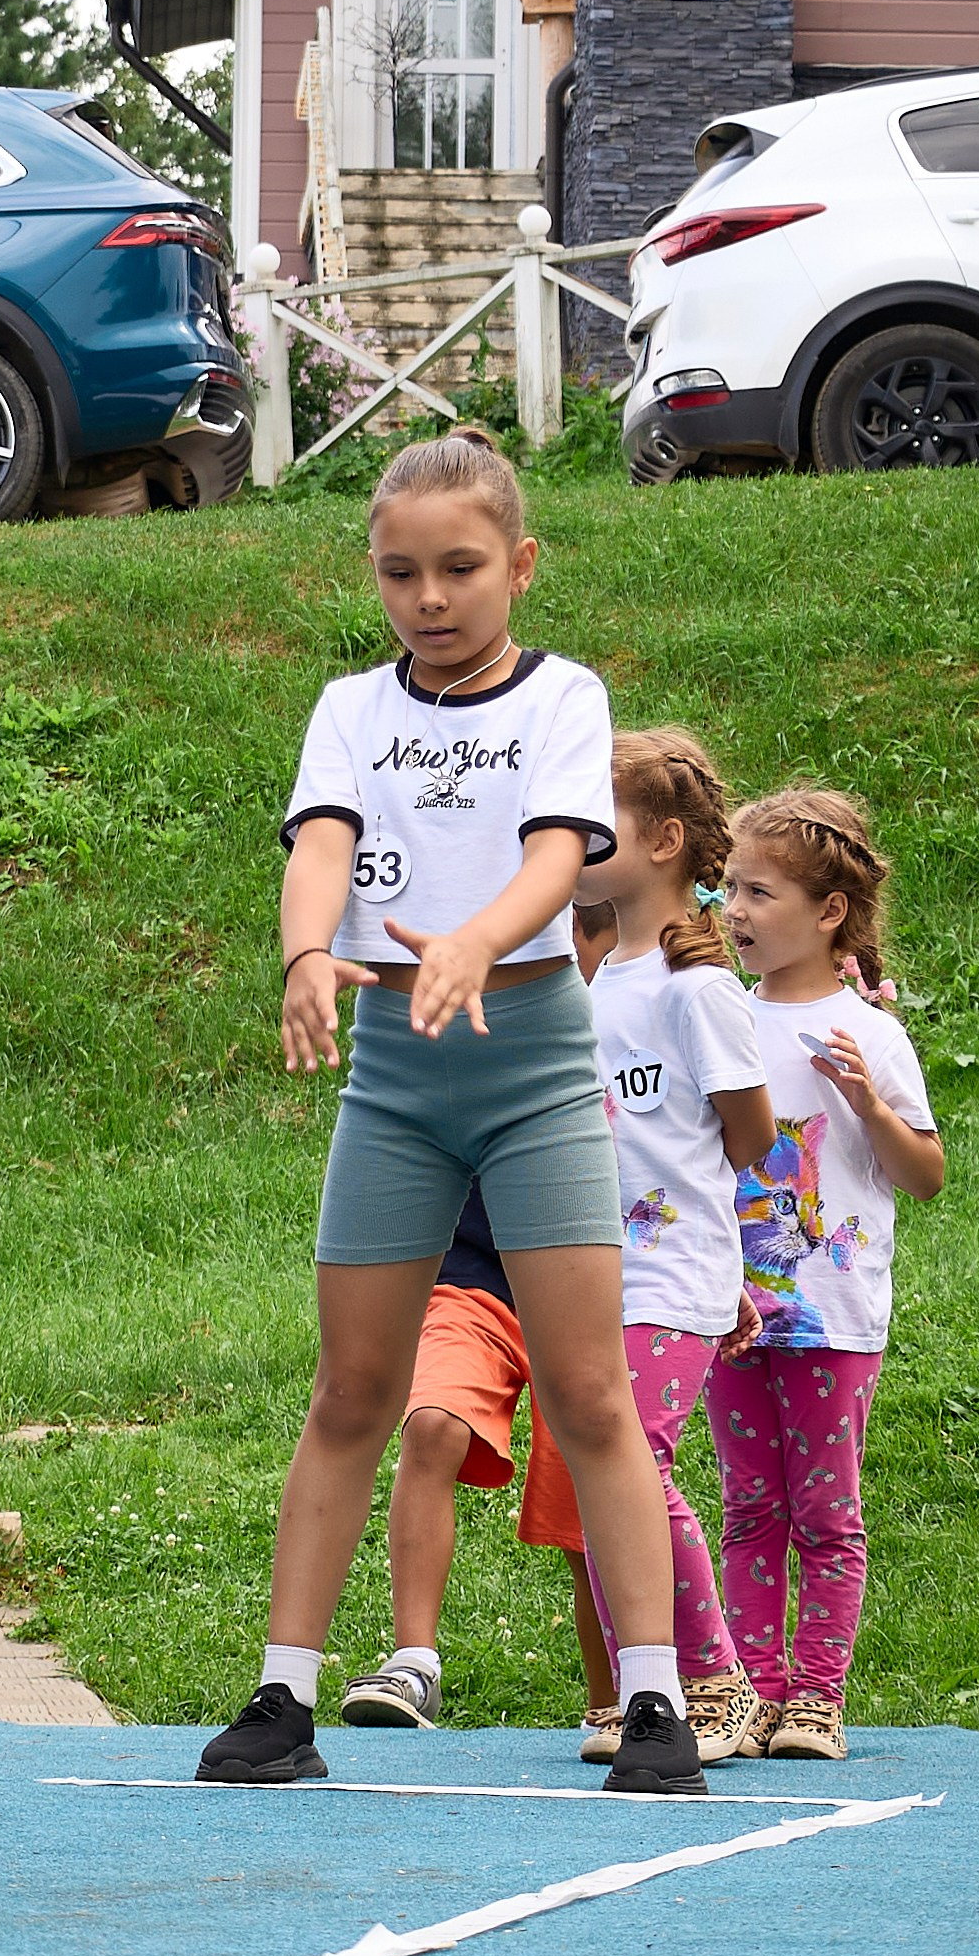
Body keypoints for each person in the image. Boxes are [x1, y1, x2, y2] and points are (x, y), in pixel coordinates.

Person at [197, 424, 706, 1798]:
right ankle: (282, 1698)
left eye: (461, 569)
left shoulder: (566, 700)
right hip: (398, 1075)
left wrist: (478, 941)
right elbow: (321, 848)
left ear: (520, 566)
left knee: (591, 1396)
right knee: (354, 1389)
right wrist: (309, 954)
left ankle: (656, 1707)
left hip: (533, 1060)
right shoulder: (351, 709)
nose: (429, 597)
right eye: (400, 573)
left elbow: (555, 855)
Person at [712, 788, 944, 1760]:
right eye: (726, 888)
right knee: (749, 1506)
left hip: (835, 1316)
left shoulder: (872, 1035)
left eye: (759, 892)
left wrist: (866, 1104)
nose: (735, 911)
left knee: (825, 1513)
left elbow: (923, 1175)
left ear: (829, 913)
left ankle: (815, 1698)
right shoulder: (716, 1015)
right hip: (726, 1308)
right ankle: (755, 1693)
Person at [569, 730, 774, 1768]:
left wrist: (725, 1269)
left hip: (672, 1274)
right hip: (602, 1274)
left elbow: (752, 1140)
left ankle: (714, 1685)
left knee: (634, 1465)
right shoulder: (605, 979)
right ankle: (657, 1688)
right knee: (603, 1470)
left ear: (662, 841)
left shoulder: (702, 992)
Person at [338, 1179, 614, 1733]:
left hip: (590, 1289)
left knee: (585, 1506)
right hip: (470, 1283)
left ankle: (617, 1700)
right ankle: (413, 1664)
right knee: (433, 1424)